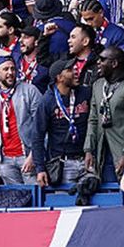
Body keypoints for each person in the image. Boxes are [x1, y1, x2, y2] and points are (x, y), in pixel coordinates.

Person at [85, 47, 124, 182]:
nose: (98, 62)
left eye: (102, 60)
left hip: (123, 151)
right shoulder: (98, 85)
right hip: (102, 151)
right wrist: (89, 149)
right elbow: (93, 119)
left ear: (114, 64)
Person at [0, 55, 41, 185]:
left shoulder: (30, 91)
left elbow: (41, 126)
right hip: (5, 160)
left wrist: (34, 155)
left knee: (36, 200)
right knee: (15, 202)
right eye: (5, 69)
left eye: (12, 69)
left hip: (27, 156)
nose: (10, 73)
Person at [32, 58, 92, 187]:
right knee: (67, 203)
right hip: (63, 164)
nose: (76, 72)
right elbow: (38, 136)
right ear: (59, 77)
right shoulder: (47, 102)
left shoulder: (86, 93)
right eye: (70, 70)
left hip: (87, 159)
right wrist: (40, 168)